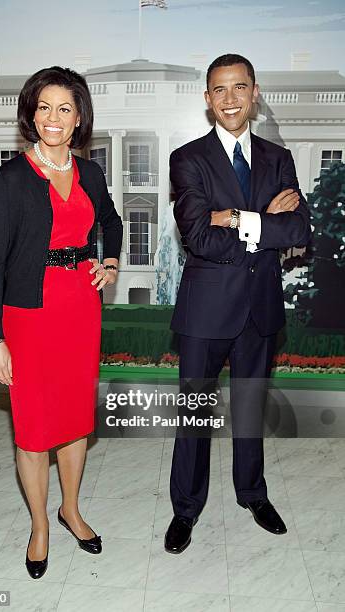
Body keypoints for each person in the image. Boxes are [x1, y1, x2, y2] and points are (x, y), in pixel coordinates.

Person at [165, 54, 311, 554]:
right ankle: (185, 509)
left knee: (251, 410)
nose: (230, 98)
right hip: (207, 309)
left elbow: (299, 230)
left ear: (255, 93)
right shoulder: (188, 159)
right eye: (219, 90)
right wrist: (262, 220)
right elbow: (199, 238)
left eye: (239, 88)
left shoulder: (278, 157)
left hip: (261, 306)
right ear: (208, 100)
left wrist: (237, 219)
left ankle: (253, 494)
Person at [0, 66, 123, 578]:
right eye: (44, 107)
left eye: (64, 108)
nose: (53, 118)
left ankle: (71, 510)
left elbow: (110, 219)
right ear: (31, 113)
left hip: (79, 310)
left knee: (75, 421)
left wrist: (108, 262)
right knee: (34, 429)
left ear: (79, 116)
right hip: (28, 314)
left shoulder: (91, 173)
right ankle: (40, 524)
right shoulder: (13, 177)